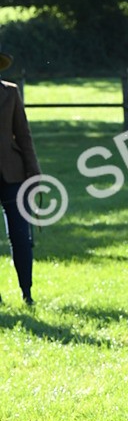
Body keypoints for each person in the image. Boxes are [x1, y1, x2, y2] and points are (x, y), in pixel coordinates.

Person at [0, 52, 39, 307]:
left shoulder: (10, 93)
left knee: (21, 237)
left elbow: (23, 135)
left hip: (12, 175)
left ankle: (27, 292)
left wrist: (34, 171)